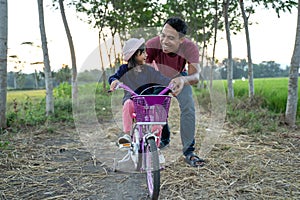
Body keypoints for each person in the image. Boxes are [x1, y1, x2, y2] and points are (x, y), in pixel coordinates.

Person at [146, 17, 205, 167]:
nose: (164, 41)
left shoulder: (190, 47)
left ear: (181, 40)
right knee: (156, 105)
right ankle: (163, 138)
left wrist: (183, 80)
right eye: (163, 35)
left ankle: (189, 152)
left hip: (180, 77)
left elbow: (196, 76)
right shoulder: (152, 45)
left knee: (188, 107)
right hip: (159, 77)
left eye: (171, 38)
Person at [108, 38, 183, 145]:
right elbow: (114, 77)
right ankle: (127, 134)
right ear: (135, 54)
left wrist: (171, 83)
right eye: (143, 52)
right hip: (134, 102)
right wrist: (114, 81)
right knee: (128, 103)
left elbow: (161, 79)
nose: (146, 55)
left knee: (159, 112)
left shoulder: (149, 70)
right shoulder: (124, 69)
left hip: (149, 103)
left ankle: (155, 142)